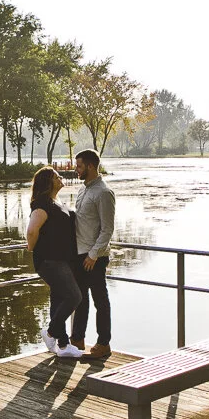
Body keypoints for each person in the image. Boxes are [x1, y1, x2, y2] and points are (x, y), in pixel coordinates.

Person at [25, 166, 84, 358]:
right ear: (48, 182)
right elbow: (32, 231)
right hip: (50, 261)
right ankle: (50, 332)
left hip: (62, 259)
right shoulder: (42, 204)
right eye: (56, 176)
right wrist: (31, 246)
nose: (61, 178)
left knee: (58, 299)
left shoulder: (56, 202)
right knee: (74, 296)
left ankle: (64, 345)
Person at [70, 148, 114, 359]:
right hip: (80, 254)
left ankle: (103, 344)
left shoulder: (104, 193)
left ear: (90, 166)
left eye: (79, 166)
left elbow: (107, 229)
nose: (76, 169)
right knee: (80, 299)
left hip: (95, 257)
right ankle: (77, 340)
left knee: (100, 300)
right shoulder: (83, 190)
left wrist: (94, 255)